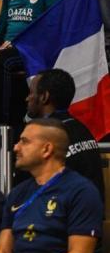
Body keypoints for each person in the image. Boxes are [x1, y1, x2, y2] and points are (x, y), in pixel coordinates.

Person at [0, 119, 103, 253]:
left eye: (24, 141)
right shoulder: (17, 193)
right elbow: (2, 252)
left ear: (47, 149)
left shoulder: (82, 191)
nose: (16, 148)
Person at [23, 68, 105, 198]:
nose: (27, 98)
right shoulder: (83, 130)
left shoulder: (43, 137)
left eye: (31, 92)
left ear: (44, 97)